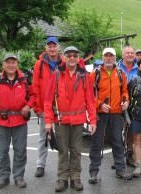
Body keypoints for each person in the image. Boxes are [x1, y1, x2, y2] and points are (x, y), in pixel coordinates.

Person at [44, 46, 97, 192]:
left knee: (76, 150)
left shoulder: (84, 76)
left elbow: (90, 101)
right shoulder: (56, 75)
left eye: (74, 55)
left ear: (78, 57)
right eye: (69, 55)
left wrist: (92, 120)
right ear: (64, 57)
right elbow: (48, 101)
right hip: (61, 121)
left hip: (78, 120)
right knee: (62, 150)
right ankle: (62, 178)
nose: (72, 58)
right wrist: (48, 121)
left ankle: (75, 177)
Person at [0, 53, 35, 189]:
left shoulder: (24, 79)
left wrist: (28, 106)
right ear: (3, 65)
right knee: (2, 151)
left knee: (20, 151)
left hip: (20, 121)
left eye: (13, 62)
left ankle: (19, 177)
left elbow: (34, 96)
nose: (11, 65)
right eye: (8, 62)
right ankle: (3, 177)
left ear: (17, 64)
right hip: (2, 122)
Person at [88, 47, 133, 182]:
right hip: (100, 114)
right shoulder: (95, 74)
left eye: (111, 56)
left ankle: (120, 170)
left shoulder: (120, 73)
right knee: (97, 143)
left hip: (116, 113)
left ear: (114, 58)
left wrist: (126, 101)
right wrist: (100, 104)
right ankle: (93, 172)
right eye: (106, 56)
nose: (109, 58)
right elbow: (89, 96)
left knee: (118, 142)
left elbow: (125, 91)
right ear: (102, 58)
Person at [32, 36, 63, 178]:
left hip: (61, 106)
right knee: (43, 136)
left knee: (62, 136)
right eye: (49, 46)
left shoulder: (64, 62)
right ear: (46, 48)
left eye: (54, 45)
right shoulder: (39, 64)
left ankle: (62, 166)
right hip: (45, 106)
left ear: (58, 47)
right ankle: (40, 164)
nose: (52, 48)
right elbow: (35, 86)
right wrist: (38, 107)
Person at [117, 46, 140, 167]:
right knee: (117, 133)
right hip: (118, 105)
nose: (130, 55)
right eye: (127, 53)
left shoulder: (140, 68)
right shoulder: (116, 67)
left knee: (131, 132)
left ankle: (130, 156)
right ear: (123, 54)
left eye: (132, 53)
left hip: (135, 105)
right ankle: (119, 158)